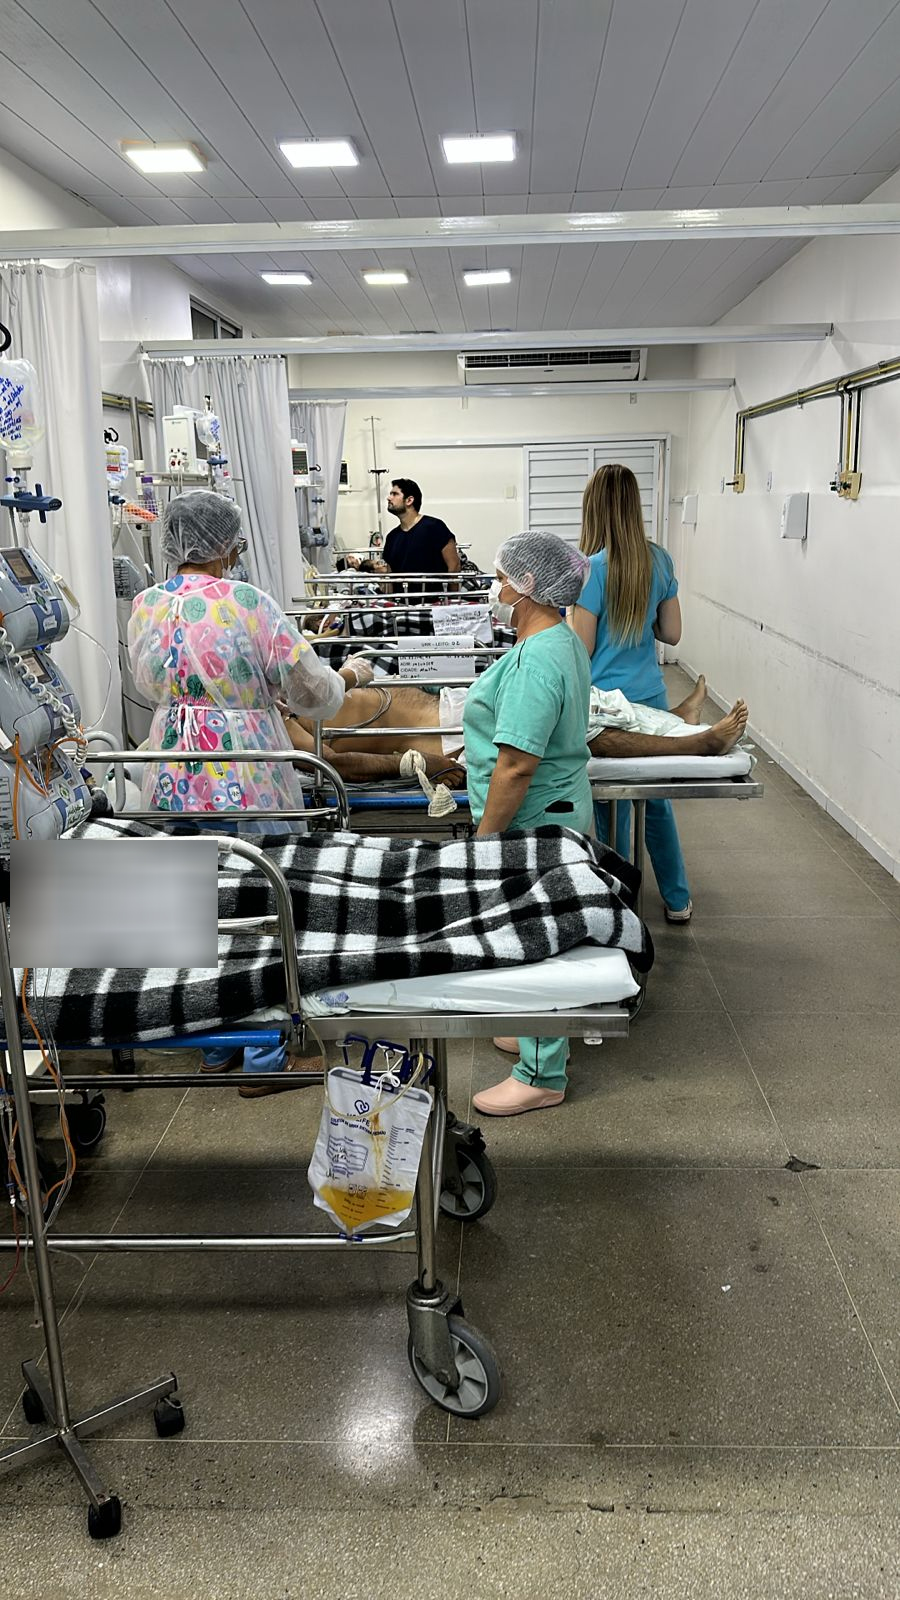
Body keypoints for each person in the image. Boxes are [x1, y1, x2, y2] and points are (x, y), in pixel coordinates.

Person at [128, 489, 375, 1097]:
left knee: (193, 911)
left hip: (172, 768)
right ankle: (263, 1055)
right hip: (245, 769)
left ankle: (212, 1044)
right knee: (260, 906)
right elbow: (312, 692)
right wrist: (350, 675)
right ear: (226, 544)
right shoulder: (249, 604)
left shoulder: (146, 605)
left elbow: (145, 680)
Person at [445, 531, 594, 1118]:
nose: (495, 588)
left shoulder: (538, 660)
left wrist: (485, 838)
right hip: (555, 808)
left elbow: (516, 765)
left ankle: (541, 1073)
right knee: (538, 930)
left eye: (503, 578)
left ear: (528, 586)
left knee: (537, 938)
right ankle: (534, 1029)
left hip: (533, 817)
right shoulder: (559, 639)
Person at [568, 462, 694, 923]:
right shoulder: (659, 561)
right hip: (650, 698)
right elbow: (672, 634)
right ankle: (677, 899)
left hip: (605, 705)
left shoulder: (590, 570)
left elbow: (580, 649)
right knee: (656, 802)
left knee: (611, 804)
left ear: (593, 508)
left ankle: (618, 899)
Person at [283, 672, 749, 780]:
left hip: (450, 706)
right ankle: (697, 744)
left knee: (584, 702)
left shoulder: (293, 691)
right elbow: (329, 763)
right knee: (575, 730)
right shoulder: (281, 726)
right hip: (449, 737)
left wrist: (349, 675)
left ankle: (675, 719)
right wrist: (419, 763)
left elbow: (329, 689)